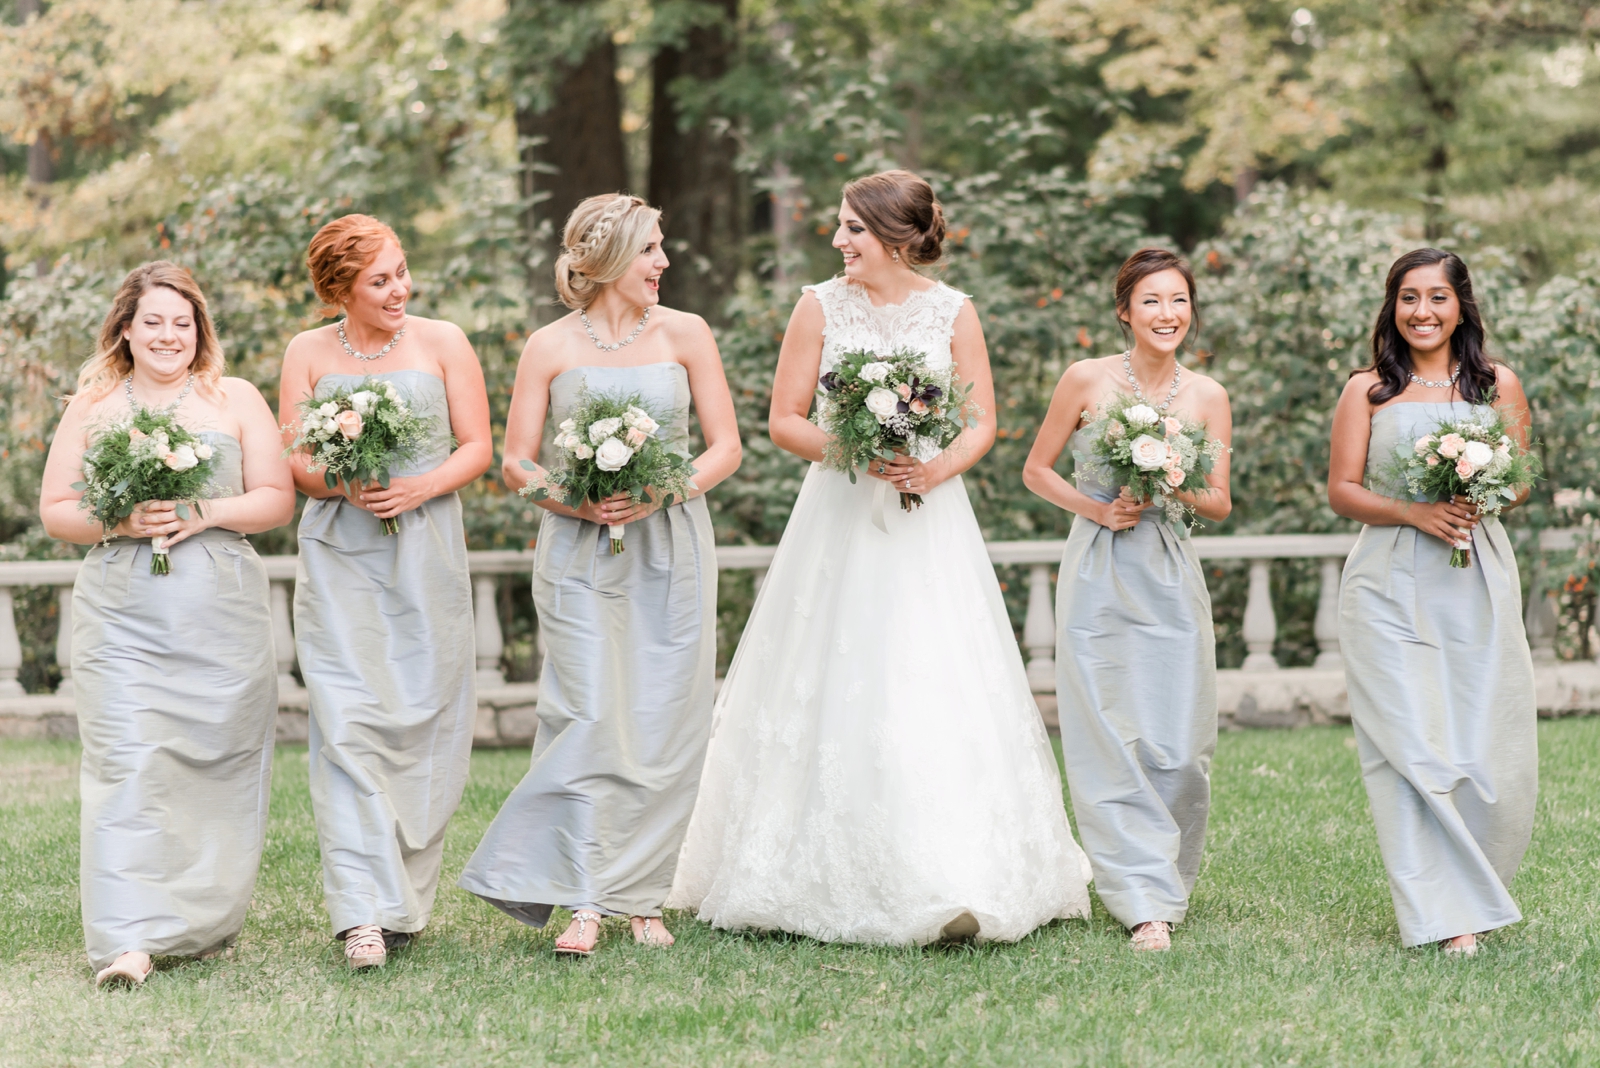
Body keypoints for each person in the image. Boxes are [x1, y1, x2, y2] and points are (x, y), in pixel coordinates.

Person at [667, 169, 1092, 945]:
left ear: (896, 235)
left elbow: (982, 420)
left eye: (853, 230)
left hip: (929, 516)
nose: (838, 242)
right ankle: (799, 869)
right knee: (832, 668)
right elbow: (785, 421)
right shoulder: (818, 306)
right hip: (840, 511)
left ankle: (958, 868)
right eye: (839, 228)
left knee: (931, 668)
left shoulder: (952, 311)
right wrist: (854, 451)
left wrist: (934, 466)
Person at [458, 194, 740, 956]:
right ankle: (583, 892)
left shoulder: (687, 333)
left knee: (663, 714)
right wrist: (572, 502)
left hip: (672, 540)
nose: (664, 263)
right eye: (651, 250)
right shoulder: (548, 346)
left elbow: (725, 448)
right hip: (578, 546)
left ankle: (641, 894)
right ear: (611, 259)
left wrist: (663, 490)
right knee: (584, 712)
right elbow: (516, 458)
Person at [39, 262, 294, 985]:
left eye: (182, 322)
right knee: (126, 761)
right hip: (121, 609)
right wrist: (116, 518)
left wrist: (203, 511)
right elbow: (57, 510)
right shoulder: (92, 404)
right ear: (124, 328)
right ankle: (127, 940)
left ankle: (198, 923)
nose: (168, 335)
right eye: (152, 321)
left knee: (217, 764)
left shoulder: (234, 397)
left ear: (199, 330)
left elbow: (276, 498)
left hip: (219, 608)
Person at [278, 215, 492, 970]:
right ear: (340, 289)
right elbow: (295, 461)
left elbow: (479, 446)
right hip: (340, 552)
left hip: (427, 549)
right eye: (381, 280)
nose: (400, 289)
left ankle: (402, 898)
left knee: (427, 716)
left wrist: (418, 487)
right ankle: (360, 914)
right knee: (345, 722)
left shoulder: (443, 342)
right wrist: (344, 480)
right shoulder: (307, 352)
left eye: (401, 272)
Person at [1023, 248, 1233, 952]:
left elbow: (1221, 502)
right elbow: (1035, 470)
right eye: (1151, 301)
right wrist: (1095, 507)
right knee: (1109, 735)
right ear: (1124, 310)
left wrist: (1169, 478)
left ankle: (1165, 875)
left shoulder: (1207, 396)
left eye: (1178, 301)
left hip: (1170, 572)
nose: (1166, 314)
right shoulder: (1085, 379)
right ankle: (1140, 900)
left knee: (1178, 743)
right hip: (1098, 568)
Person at [1328, 248, 1536, 956]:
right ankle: (1447, 916)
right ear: (1392, 306)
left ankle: (1472, 884)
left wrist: (1477, 488)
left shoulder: (1497, 384)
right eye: (1408, 298)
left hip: (1473, 572)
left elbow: (1521, 483)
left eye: (1437, 297)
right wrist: (1416, 512)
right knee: (1407, 741)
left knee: (1478, 744)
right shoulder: (1367, 390)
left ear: (1461, 306)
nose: (1422, 311)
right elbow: (1342, 491)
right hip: (1386, 578)